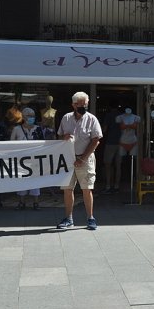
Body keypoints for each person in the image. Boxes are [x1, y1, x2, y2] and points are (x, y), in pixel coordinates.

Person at [56, 92, 103, 230]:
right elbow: (58, 138)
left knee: (87, 189)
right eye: (81, 104)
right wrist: (63, 138)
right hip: (68, 158)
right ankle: (68, 218)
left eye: (85, 104)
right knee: (67, 189)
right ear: (74, 104)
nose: (84, 106)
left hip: (86, 158)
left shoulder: (91, 119)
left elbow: (96, 140)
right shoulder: (66, 118)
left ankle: (90, 218)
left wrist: (83, 158)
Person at [10, 107, 45, 210]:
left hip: (35, 160)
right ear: (24, 117)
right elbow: (10, 144)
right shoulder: (17, 129)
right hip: (21, 160)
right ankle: (21, 202)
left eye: (33, 116)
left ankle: (36, 202)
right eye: (29, 116)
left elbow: (43, 143)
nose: (32, 118)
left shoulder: (38, 129)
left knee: (36, 182)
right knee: (21, 181)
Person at [100, 102, 122, 194]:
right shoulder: (122, 116)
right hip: (121, 142)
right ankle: (117, 185)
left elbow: (104, 130)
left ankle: (108, 185)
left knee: (108, 164)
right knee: (118, 166)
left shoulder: (109, 116)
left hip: (110, 142)